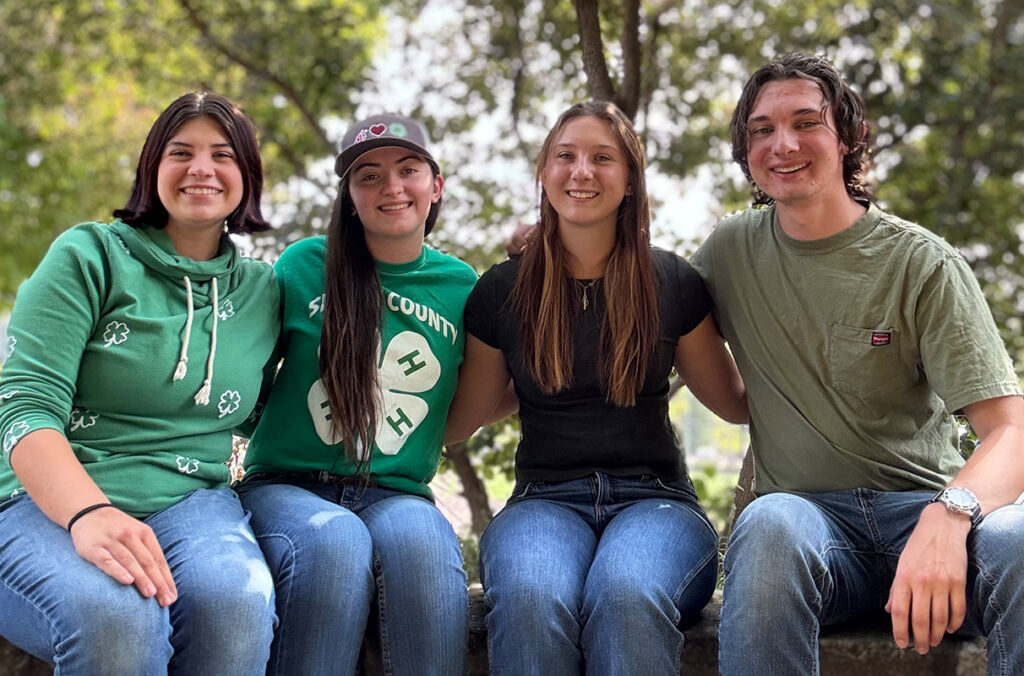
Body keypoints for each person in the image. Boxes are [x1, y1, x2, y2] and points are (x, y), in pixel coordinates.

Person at [689, 53, 1024, 674]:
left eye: (805, 122)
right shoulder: (730, 251)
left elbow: (1010, 429)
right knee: (766, 525)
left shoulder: (923, 264)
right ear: (746, 152)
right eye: (761, 129)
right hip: (811, 529)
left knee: (1020, 545)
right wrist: (543, 244)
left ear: (848, 138)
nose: (782, 143)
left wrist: (949, 518)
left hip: (925, 513)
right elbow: (635, 290)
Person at [446, 100, 748, 676]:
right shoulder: (502, 291)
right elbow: (467, 416)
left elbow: (733, 402)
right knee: (532, 597)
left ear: (630, 180)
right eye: (566, 156)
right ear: (544, 171)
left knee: (626, 594)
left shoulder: (671, 281)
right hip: (543, 500)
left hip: (656, 500)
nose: (581, 171)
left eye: (602, 158)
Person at [0, 92, 279, 674]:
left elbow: (278, 405)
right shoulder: (89, 255)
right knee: (118, 619)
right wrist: (86, 514)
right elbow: (24, 406)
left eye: (222, 155)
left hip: (190, 501)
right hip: (45, 497)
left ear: (246, 178)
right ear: (153, 168)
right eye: (181, 151)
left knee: (238, 604)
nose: (200, 168)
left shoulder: (262, 291)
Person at [236, 114, 476, 676]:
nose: (391, 188)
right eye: (368, 176)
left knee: (427, 552)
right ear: (348, 197)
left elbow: (484, 394)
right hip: (287, 487)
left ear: (435, 186)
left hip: (396, 492)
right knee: (334, 544)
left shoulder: (462, 286)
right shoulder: (303, 266)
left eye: (408, 170)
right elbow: (243, 379)